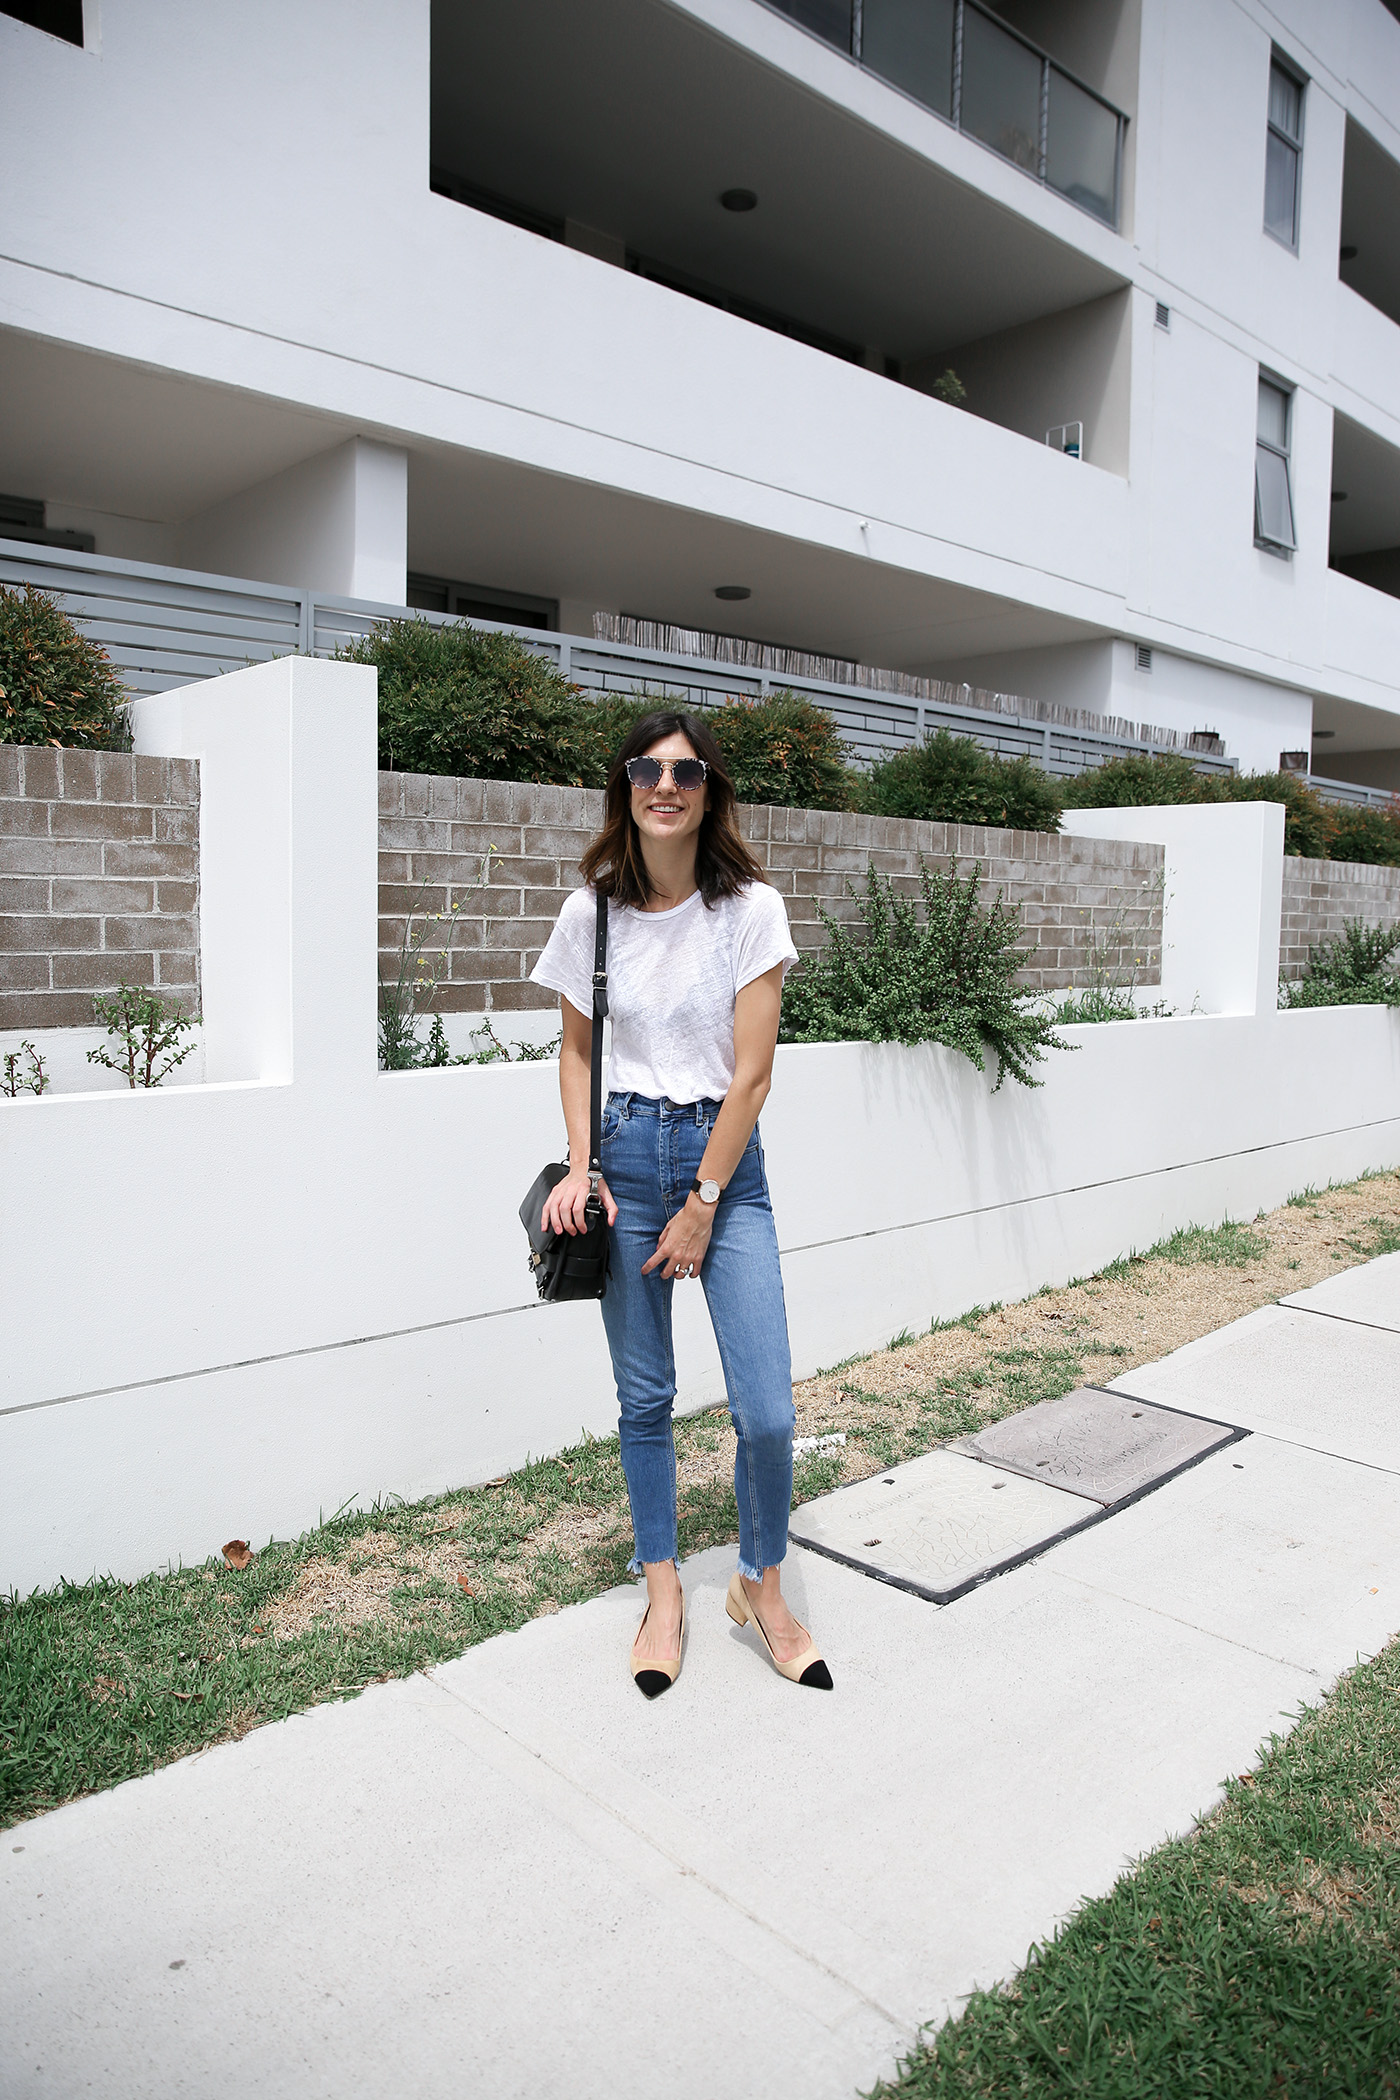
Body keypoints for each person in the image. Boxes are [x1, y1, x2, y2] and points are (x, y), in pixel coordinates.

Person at [530, 710, 833, 1700]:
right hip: (621, 1154)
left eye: (686, 772)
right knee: (645, 1397)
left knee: (765, 1409)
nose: (666, 785)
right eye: (646, 769)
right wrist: (579, 1168)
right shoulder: (593, 915)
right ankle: (662, 1592)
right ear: (624, 786)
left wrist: (703, 1199)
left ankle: (758, 1584)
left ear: (711, 791)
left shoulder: (749, 910)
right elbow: (577, 1051)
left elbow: (750, 1078)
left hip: (722, 1166)